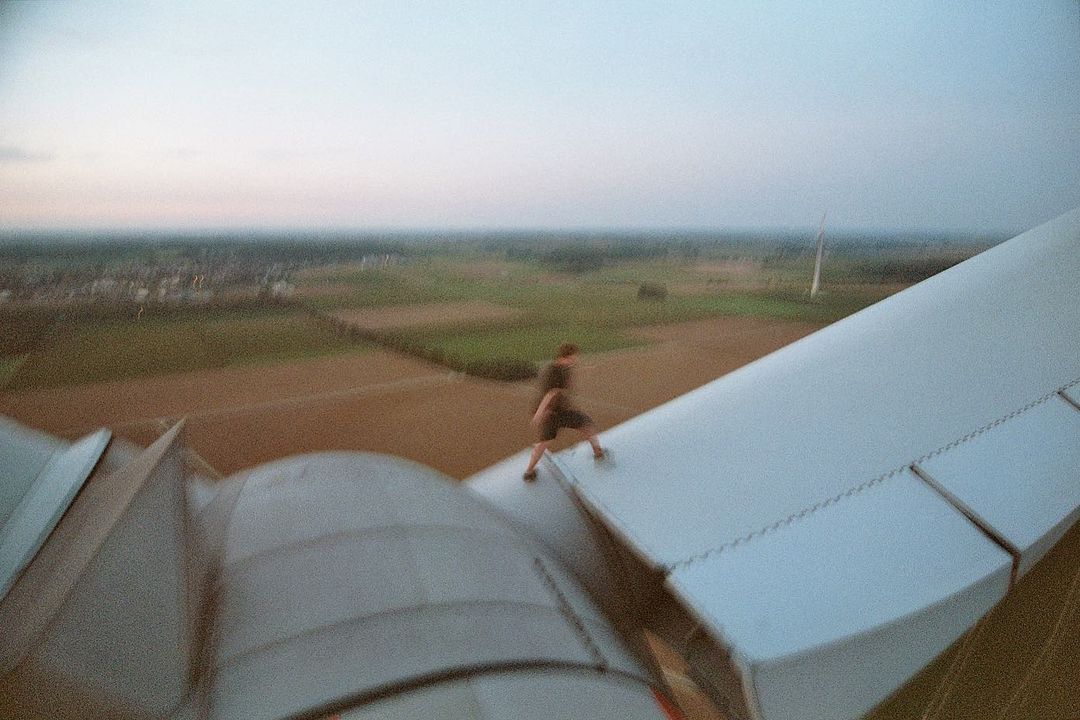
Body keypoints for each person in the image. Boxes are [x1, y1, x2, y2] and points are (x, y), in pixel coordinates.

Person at [522, 342, 604, 482]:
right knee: (543, 443)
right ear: (565, 357)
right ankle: (529, 471)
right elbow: (550, 394)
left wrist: (587, 368)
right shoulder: (554, 373)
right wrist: (539, 414)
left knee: (586, 423)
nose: (575, 360)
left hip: (562, 411)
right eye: (573, 357)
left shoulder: (563, 367)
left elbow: (574, 367)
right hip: (550, 414)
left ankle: (598, 452)